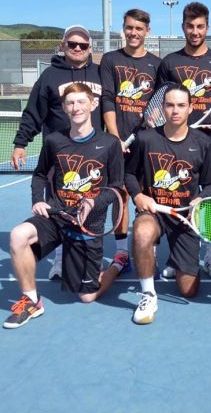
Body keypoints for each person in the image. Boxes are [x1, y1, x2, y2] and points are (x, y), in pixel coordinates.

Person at [4, 83, 125, 329]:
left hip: (88, 224)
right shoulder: (53, 140)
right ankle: (31, 301)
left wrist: (93, 201)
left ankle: (117, 263)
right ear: (64, 108)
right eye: (70, 103)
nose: (76, 107)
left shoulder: (110, 143)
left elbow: (116, 187)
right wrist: (38, 200)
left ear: (93, 105)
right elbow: (39, 175)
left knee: (87, 296)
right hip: (57, 216)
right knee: (18, 236)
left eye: (81, 102)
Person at [12, 24, 103, 281]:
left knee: (91, 206)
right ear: (63, 45)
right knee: (58, 206)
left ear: (90, 48)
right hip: (59, 156)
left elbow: (111, 109)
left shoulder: (99, 74)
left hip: (93, 156)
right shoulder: (50, 77)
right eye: (72, 44)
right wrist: (21, 143)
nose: (77, 48)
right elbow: (33, 112)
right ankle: (60, 258)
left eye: (82, 45)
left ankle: (85, 253)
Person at [125, 85, 211, 325]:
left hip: (185, 216)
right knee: (142, 232)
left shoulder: (204, 143)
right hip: (154, 211)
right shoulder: (146, 139)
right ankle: (148, 294)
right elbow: (128, 174)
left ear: (190, 108)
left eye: (180, 105)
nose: (175, 110)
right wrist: (137, 196)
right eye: (169, 105)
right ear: (162, 108)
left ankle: (177, 261)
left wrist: (202, 197)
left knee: (189, 290)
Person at [156, 2, 211, 279]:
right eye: (190, 26)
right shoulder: (170, 63)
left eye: (200, 26)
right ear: (183, 27)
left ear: (207, 28)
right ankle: (178, 257)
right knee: (178, 194)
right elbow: (161, 103)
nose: (195, 31)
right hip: (176, 143)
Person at [100, 8, 161, 269]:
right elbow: (107, 98)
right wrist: (114, 137)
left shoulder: (157, 65)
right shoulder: (110, 60)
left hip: (147, 143)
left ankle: (150, 250)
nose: (133, 32)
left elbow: (160, 102)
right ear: (123, 29)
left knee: (147, 194)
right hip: (118, 142)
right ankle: (122, 251)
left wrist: (153, 118)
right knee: (120, 195)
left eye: (139, 28)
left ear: (147, 31)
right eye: (129, 27)